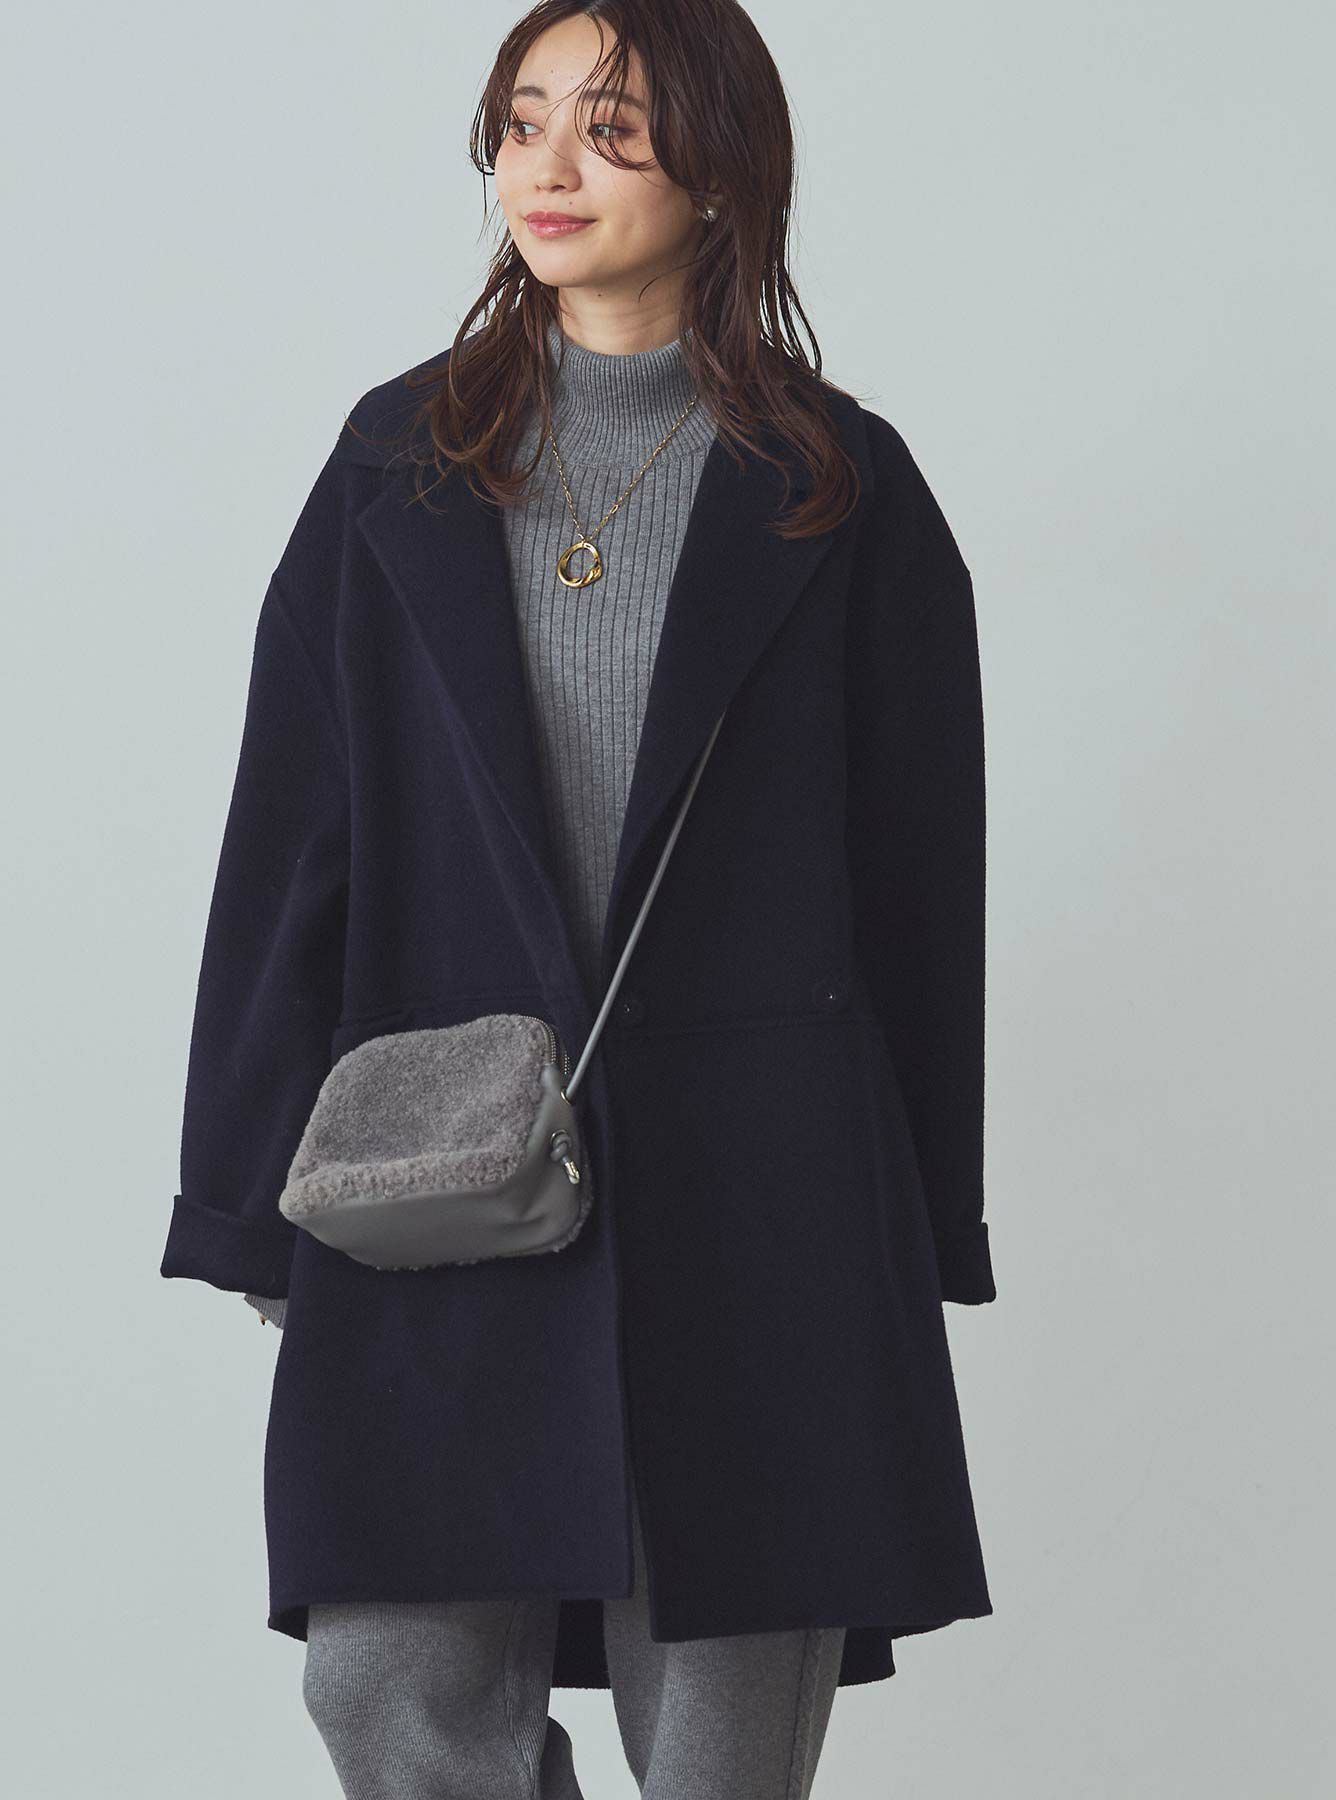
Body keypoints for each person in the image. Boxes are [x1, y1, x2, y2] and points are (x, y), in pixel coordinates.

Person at [164, 3, 995, 1795]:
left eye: (610, 125)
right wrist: (245, 1201)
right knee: (386, 1685)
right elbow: (291, 839)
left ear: (723, 169)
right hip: (434, 1166)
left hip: (764, 1194)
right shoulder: (398, 461)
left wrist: (923, 1228)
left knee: (716, 1742)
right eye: (524, 119)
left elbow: (927, 889)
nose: (547, 165)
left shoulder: (838, 487)